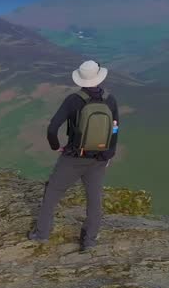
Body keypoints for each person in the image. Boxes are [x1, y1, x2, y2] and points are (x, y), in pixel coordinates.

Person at [29, 60, 120, 252]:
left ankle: (41, 234)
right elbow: (114, 129)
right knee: (94, 199)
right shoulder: (110, 99)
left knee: (52, 193)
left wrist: (56, 147)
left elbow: (52, 128)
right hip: (99, 159)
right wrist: (108, 154)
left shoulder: (73, 100)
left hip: (73, 157)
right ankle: (89, 241)